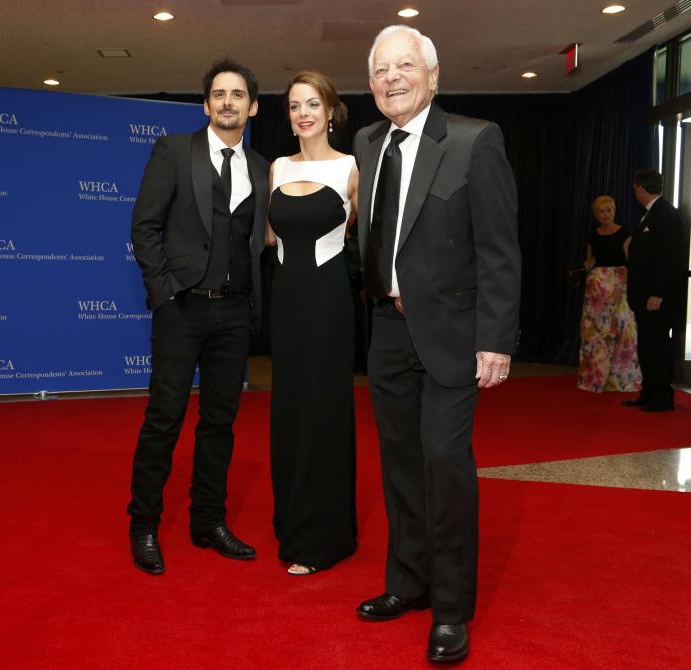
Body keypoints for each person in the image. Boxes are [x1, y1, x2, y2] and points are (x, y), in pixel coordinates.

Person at [352, 26, 521, 663]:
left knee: (444, 467)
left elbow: (501, 251)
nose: (392, 78)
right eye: (381, 70)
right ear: (370, 84)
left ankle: (450, 611)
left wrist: (496, 339)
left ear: (432, 74)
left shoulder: (477, 141)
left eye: (405, 66)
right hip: (389, 331)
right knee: (398, 465)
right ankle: (408, 583)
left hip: (454, 335)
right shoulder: (369, 143)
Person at [126, 58, 270, 574]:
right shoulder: (173, 151)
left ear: (252, 107)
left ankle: (208, 521)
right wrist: (164, 293)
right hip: (182, 310)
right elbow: (144, 227)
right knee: (163, 420)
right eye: (218, 94)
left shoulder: (260, 166)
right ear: (206, 104)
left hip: (234, 314)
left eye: (237, 95)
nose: (227, 102)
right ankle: (143, 525)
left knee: (219, 424)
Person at [266, 70, 360, 576]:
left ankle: (324, 537)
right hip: (287, 305)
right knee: (290, 412)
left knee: (324, 413)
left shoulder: (350, 168)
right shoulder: (277, 167)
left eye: (311, 104)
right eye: (294, 106)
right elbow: (268, 237)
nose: (302, 113)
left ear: (330, 111)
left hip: (329, 306)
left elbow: (369, 237)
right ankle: (291, 521)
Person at [623, 169, 683, 412]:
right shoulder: (650, 214)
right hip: (644, 295)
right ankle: (648, 393)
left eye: (635, 187)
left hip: (657, 298)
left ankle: (661, 396)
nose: (634, 192)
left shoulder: (666, 215)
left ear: (640, 187)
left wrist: (657, 293)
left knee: (657, 346)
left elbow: (668, 259)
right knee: (647, 345)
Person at [578, 195, 642, 393]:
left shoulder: (624, 233)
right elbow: (590, 261)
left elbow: (631, 264)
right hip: (596, 290)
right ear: (596, 214)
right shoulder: (592, 235)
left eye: (609, 210)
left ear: (614, 211)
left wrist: (619, 288)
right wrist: (579, 272)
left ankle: (620, 380)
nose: (605, 215)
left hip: (618, 287)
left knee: (623, 332)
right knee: (594, 334)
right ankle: (595, 378)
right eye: (601, 211)